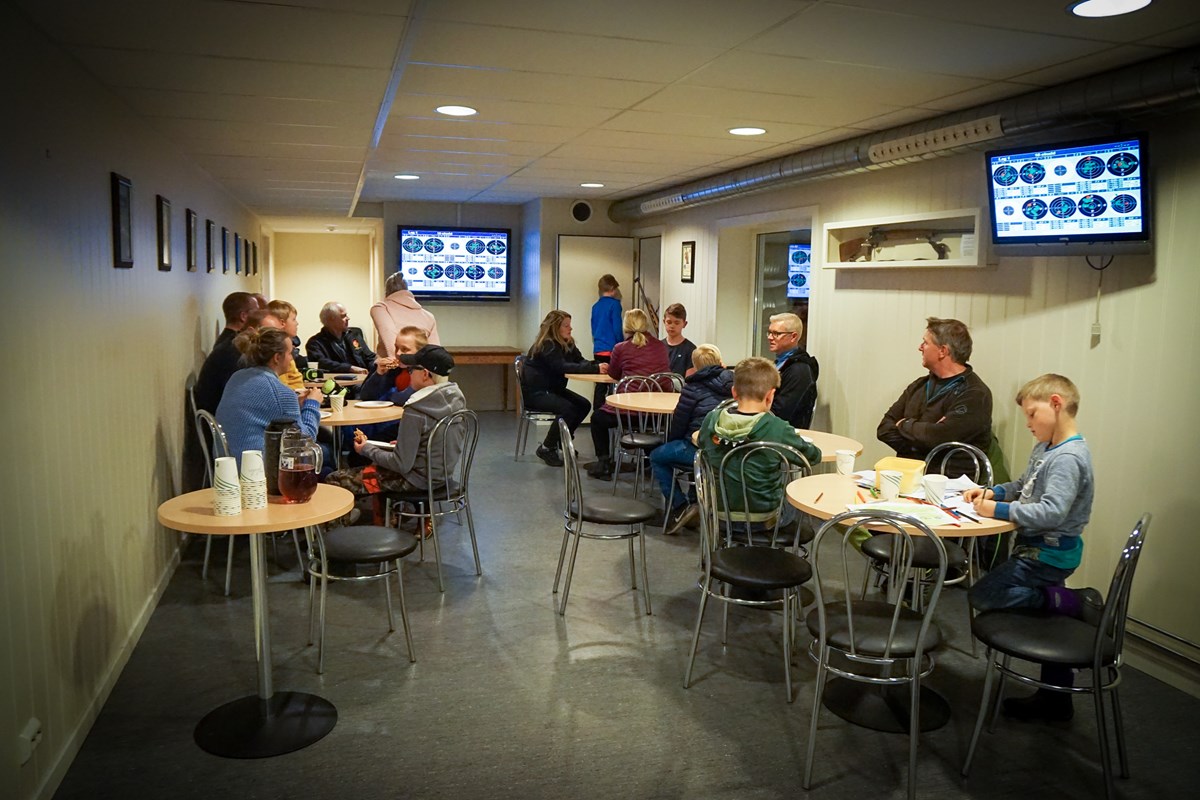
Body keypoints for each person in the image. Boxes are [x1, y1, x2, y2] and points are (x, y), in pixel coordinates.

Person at [966, 374, 1100, 723]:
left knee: (983, 595)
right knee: (1050, 617)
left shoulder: (1068, 458)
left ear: (1056, 403)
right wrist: (995, 492)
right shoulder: (1047, 447)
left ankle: (1076, 601)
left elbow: (1051, 512)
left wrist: (999, 510)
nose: (1027, 423)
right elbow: (1025, 486)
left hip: (1047, 552)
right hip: (1036, 548)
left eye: (1031, 414)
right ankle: (1056, 699)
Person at [326, 345, 466, 499]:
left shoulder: (416, 409)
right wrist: (401, 445)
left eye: (411, 370)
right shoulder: (455, 399)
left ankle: (348, 521)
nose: (409, 373)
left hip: (414, 480)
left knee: (335, 479)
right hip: (442, 475)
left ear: (425, 374)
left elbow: (401, 464)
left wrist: (366, 449)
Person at [696, 356, 822, 522]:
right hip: (765, 517)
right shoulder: (777, 428)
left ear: (734, 392)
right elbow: (813, 456)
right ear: (770, 396)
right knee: (794, 502)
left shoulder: (711, 420)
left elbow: (701, 443)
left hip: (718, 514)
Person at [876, 317, 992, 475]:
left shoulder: (975, 394)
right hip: (909, 478)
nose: (920, 347)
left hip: (951, 487)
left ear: (943, 351)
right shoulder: (919, 385)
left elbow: (940, 437)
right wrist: (921, 444)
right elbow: (884, 429)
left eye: (925, 343)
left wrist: (904, 425)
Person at [651, 344, 733, 534]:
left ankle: (680, 506)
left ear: (695, 366)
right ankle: (697, 500)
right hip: (728, 451)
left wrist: (670, 441)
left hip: (699, 450)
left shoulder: (692, 388)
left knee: (658, 456)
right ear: (720, 361)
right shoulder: (734, 385)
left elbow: (679, 424)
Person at [215, 327, 323, 464]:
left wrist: (296, 403)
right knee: (325, 455)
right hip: (258, 470)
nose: (292, 359)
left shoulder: (237, 377)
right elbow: (305, 443)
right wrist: (312, 404)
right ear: (277, 358)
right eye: (291, 354)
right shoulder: (279, 392)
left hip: (227, 466)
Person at [587, 308, 669, 479]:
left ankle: (604, 463)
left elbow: (614, 375)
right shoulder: (661, 346)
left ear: (626, 327)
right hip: (656, 414)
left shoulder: (621, 348)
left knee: (597, 419)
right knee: (648, 426)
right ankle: (649, 463)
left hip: (628, 415)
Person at [521, 310, 608, 467]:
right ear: (555, 328)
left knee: (584, 405)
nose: (570, 328)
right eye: (566, 326)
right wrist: (594, 369)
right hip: (537, 393)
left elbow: (579, 361)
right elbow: (561, 367)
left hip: (553, 389)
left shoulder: (568, 343)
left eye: (570, 325)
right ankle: (547, 447)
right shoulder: (547, 345)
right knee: (567, 409)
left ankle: (563, 439)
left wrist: (596, 365)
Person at [193, 291, 259, 414]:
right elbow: (242, 395)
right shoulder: (233, 349)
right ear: (244, 316)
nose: (260, 316)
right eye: (257, 312)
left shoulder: (228, 342)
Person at [766, 312, 819, 429]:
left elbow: (780, 413)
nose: (770, 337)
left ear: (793, 337)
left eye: (776, 334)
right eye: (769, 332)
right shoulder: (780, 363)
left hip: (783, 436)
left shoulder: (800, 370)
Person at [370, 271, 439, 356]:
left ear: (386, 291)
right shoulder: (428, 316)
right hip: (421, 365)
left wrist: (394, 361)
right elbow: (435, 349)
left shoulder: (381, 308)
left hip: (392, 364)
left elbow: (388, 335)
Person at [360, 325, 429, 408]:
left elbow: (405, 399)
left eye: (405, 349)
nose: (398, 353)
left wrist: (389, 395)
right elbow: (365, 397)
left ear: (420, 352)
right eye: (396, 348)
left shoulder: (424, 372)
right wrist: (378, 374)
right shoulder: (394, 369)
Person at [305, 302, 376, 375]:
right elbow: (322, 363)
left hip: (364, 378)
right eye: (343, 316)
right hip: (341, 382)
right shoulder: (315, 343)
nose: (348, 318)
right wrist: (349, 368)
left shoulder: (353, 335)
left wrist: (377, 366)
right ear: (331, 320)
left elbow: (369, 357)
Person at [590, 274, 623, 412]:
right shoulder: (615, 305)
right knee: (614, 383)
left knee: (600, 385)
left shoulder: (595, 306)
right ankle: (610, 411)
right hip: (612, 349)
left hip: (598, 349)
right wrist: (622, 344)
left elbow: (593, 327)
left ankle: (596, 412)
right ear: (613, 288)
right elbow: (617, 328)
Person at [268, 298, 308, 381]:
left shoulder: (288, 347)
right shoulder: (278, 349)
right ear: (282, 323)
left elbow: (295, 379)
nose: (297, 323)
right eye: (293, 319)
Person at [662, 303, 697, 378]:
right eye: (669, 322)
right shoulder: (658, 347)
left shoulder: (691, 350)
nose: (672, 326)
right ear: (664, 322)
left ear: (684, 324)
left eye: (676, 323)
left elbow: (689, 380)